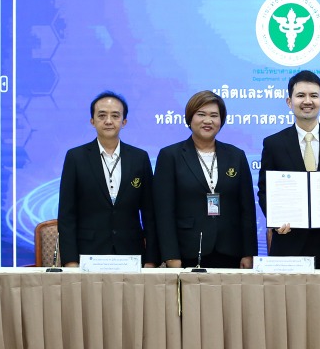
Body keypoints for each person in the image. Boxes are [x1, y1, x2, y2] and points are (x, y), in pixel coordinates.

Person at [257, 70, 320, 269]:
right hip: (288, 242)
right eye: (300, 95)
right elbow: (265, 191)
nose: (307, 101)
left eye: (313, 95)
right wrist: (275, 219)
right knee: (288, 300)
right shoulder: (274, 144)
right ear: (289, 101)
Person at [153, 90, 257, 269]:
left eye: (214, 116)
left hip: (230, 252)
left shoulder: (236, 156)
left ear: (221, 121)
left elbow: (247, 209)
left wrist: (249, 253)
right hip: (187, 252)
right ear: (190, 118)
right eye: (201, 114)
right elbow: (164, 213)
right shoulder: (170, 156)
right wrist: (171, 255)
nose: (208, 121)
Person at [58, 91, 159, 267]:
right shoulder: (75, 157)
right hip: (88, 254)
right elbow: (67, 215)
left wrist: (150, 260)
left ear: (124, 121)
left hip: (131, 253)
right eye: (102, 115)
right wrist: (70, 261)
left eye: (115, 116)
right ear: (92, 121)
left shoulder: (139, 158)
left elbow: (150, 214)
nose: (108, 121)